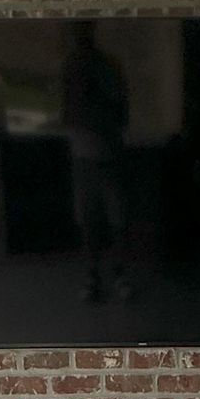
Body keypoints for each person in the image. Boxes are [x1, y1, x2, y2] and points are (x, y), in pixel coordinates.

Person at [62, 24, 131, 303]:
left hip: (107, 155)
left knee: (116, 220)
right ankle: (97, 277)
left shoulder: (104, 68)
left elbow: (121, 112)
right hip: (86, 156)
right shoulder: (74, 68)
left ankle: (115, 275)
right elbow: (68, 113)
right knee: (91, 221)